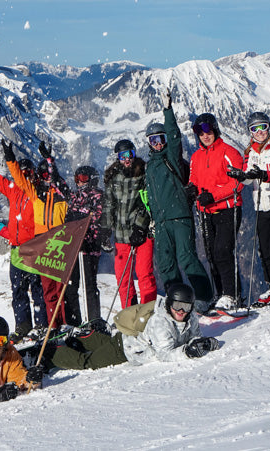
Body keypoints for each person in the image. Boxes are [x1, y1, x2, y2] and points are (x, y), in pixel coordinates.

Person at [144, 90, 213, 312]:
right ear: (148, 143)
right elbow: (151, 196)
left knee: (187, 258)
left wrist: (168, 111)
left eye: (160, 139)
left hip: (179, 216)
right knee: (166, 264)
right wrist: (152, 219)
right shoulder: (149, 167)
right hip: (161, 222)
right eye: (153, 140)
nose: (157, 144)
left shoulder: (170, 157)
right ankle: (176, 302)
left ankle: (204, 297)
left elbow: (175, 137)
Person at [45, 283, 219, 371]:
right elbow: (164, 354)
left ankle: (81, 340)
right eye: (177, 306)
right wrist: (188, 352)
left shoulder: (191, 318)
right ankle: (54, 353)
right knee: (88, 364)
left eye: (186, 307)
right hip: (125, 350)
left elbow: (194, 335)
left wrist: (203, 342)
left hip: (126, 340)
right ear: (169, 304)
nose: (181, 311)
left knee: (104, 345)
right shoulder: (160, 322)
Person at [0, 135, 48, 340]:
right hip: (16, 248)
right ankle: (23, 326)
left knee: (37, 289)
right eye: (21, 172)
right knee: (18, 290)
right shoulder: (13, 190)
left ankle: (42, 325)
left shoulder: (36, 193)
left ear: (33, 175)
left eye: (28, 172)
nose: (24, 176)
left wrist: (11, 157)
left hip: (33, 247)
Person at [227, 112, 270, 307]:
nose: (259, 132)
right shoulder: (250, 152)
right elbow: (250, 178)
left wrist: (264, 174)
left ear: (269, 128)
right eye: (254, 129)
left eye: (262, 127)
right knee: (265, 249)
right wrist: (240, 176)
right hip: (262, 205)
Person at [6, 140, 72, 328]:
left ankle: (64, 323)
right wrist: (10, 159)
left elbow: (59, 181)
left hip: (59, 243)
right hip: (42, 244)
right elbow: (18, 178)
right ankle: (52, 325)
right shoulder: (35, 193)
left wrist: (49, 160)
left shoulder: (61, 193)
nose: (47, 178)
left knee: (61, 289)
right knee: (48, 289)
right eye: (43, 175)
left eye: (48, 174)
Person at [188, 112, 245, 310]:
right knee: (212, 254)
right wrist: (191, 190)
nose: (205, 136)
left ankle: (232, 295)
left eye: (208, 131)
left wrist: (214, 195)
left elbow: (239, 182)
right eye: (200, 133)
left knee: (222, 251)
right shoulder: (196, 157)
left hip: (228, 209)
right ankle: (221, 294)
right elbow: (194, 179)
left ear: (215, 130)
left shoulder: (229, 152)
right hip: (206, 211)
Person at [102, 139, 156, 310]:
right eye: (123, 156)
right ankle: (129, 311)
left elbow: (148, 203)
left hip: (142, 234)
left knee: (144, 274)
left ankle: (148, 311)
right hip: (121, 235)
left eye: (130, 154)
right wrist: (105, 229)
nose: (127, 159)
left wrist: (140, 226)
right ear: (118, 157)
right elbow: (109, 204)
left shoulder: (143, 174)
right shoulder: (113, 178)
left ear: (134, 154)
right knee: (122, 277)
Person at [67, 164, 107, 323]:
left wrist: (89, 237)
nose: (79, 182)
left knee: (89, 285)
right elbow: (70, 217)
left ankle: (94, 319)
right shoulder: (75, 196)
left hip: (89, 247)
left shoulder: (97, 195)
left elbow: (98, 220)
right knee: (71, 285)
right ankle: (73, 320)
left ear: (91, 179)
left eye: (82, 178)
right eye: (77, 179)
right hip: (74, 246)